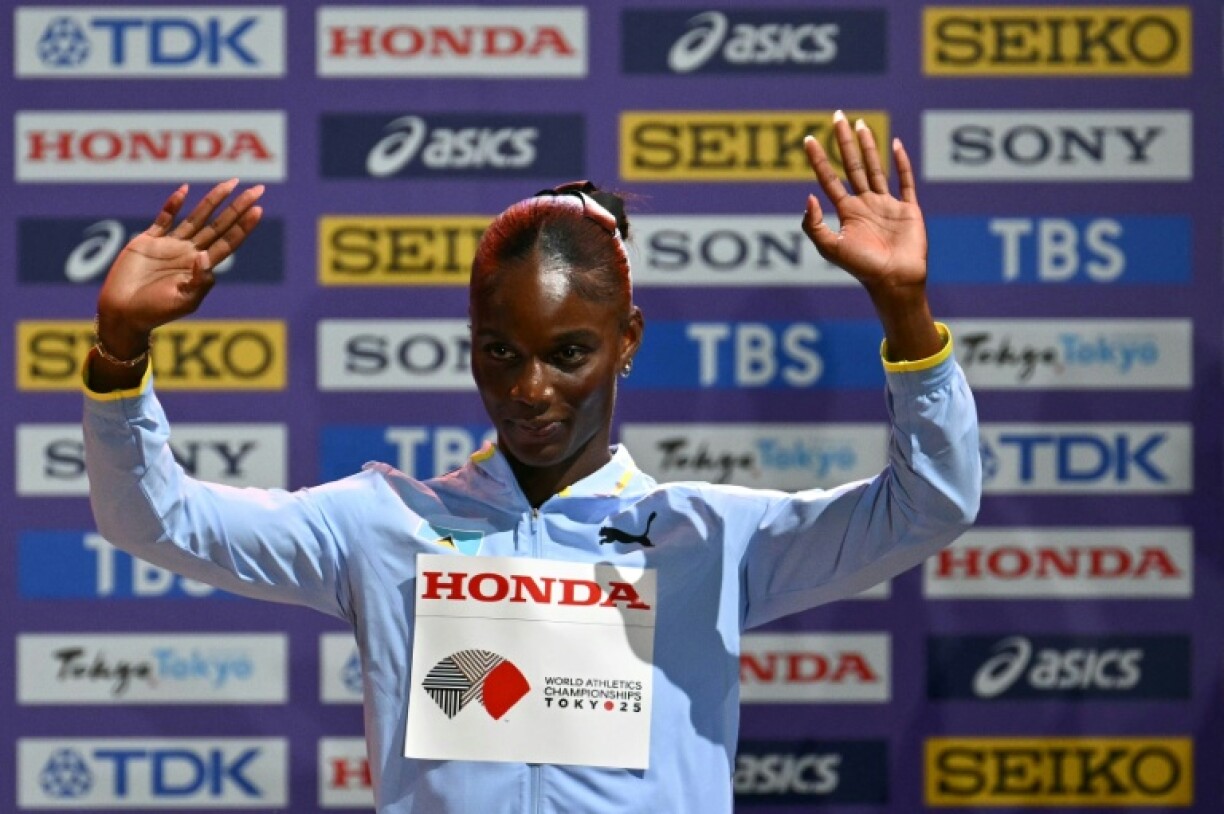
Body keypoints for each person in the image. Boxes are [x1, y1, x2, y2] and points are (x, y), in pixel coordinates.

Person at [83, 112, 980, 813]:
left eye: (568, 353)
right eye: (501, 353)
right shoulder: (383, 525)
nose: (532, 390)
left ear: (626, 342)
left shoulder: (707, 538)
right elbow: (150, 518)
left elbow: (931, 503)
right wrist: (120, 349)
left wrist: (905, 312)